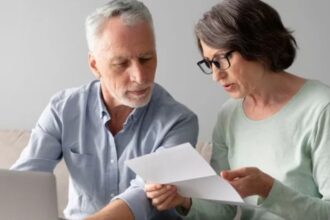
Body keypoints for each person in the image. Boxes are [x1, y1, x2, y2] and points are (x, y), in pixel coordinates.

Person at [11, 0, 198, 219]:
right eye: (121, 63)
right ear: (94, 65)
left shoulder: (179, 122)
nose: (140, 76)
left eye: (146, 59)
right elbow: (23, 180)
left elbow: (143, 195)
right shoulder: (62, 110)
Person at [145, 0, 330, 219]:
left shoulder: (321, 108)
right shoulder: (229, 115)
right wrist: (184, 201)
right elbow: (223, 208)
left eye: (222, 59)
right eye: (209, 63)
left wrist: (269, 190)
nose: (216, 75)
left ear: (259, 46)